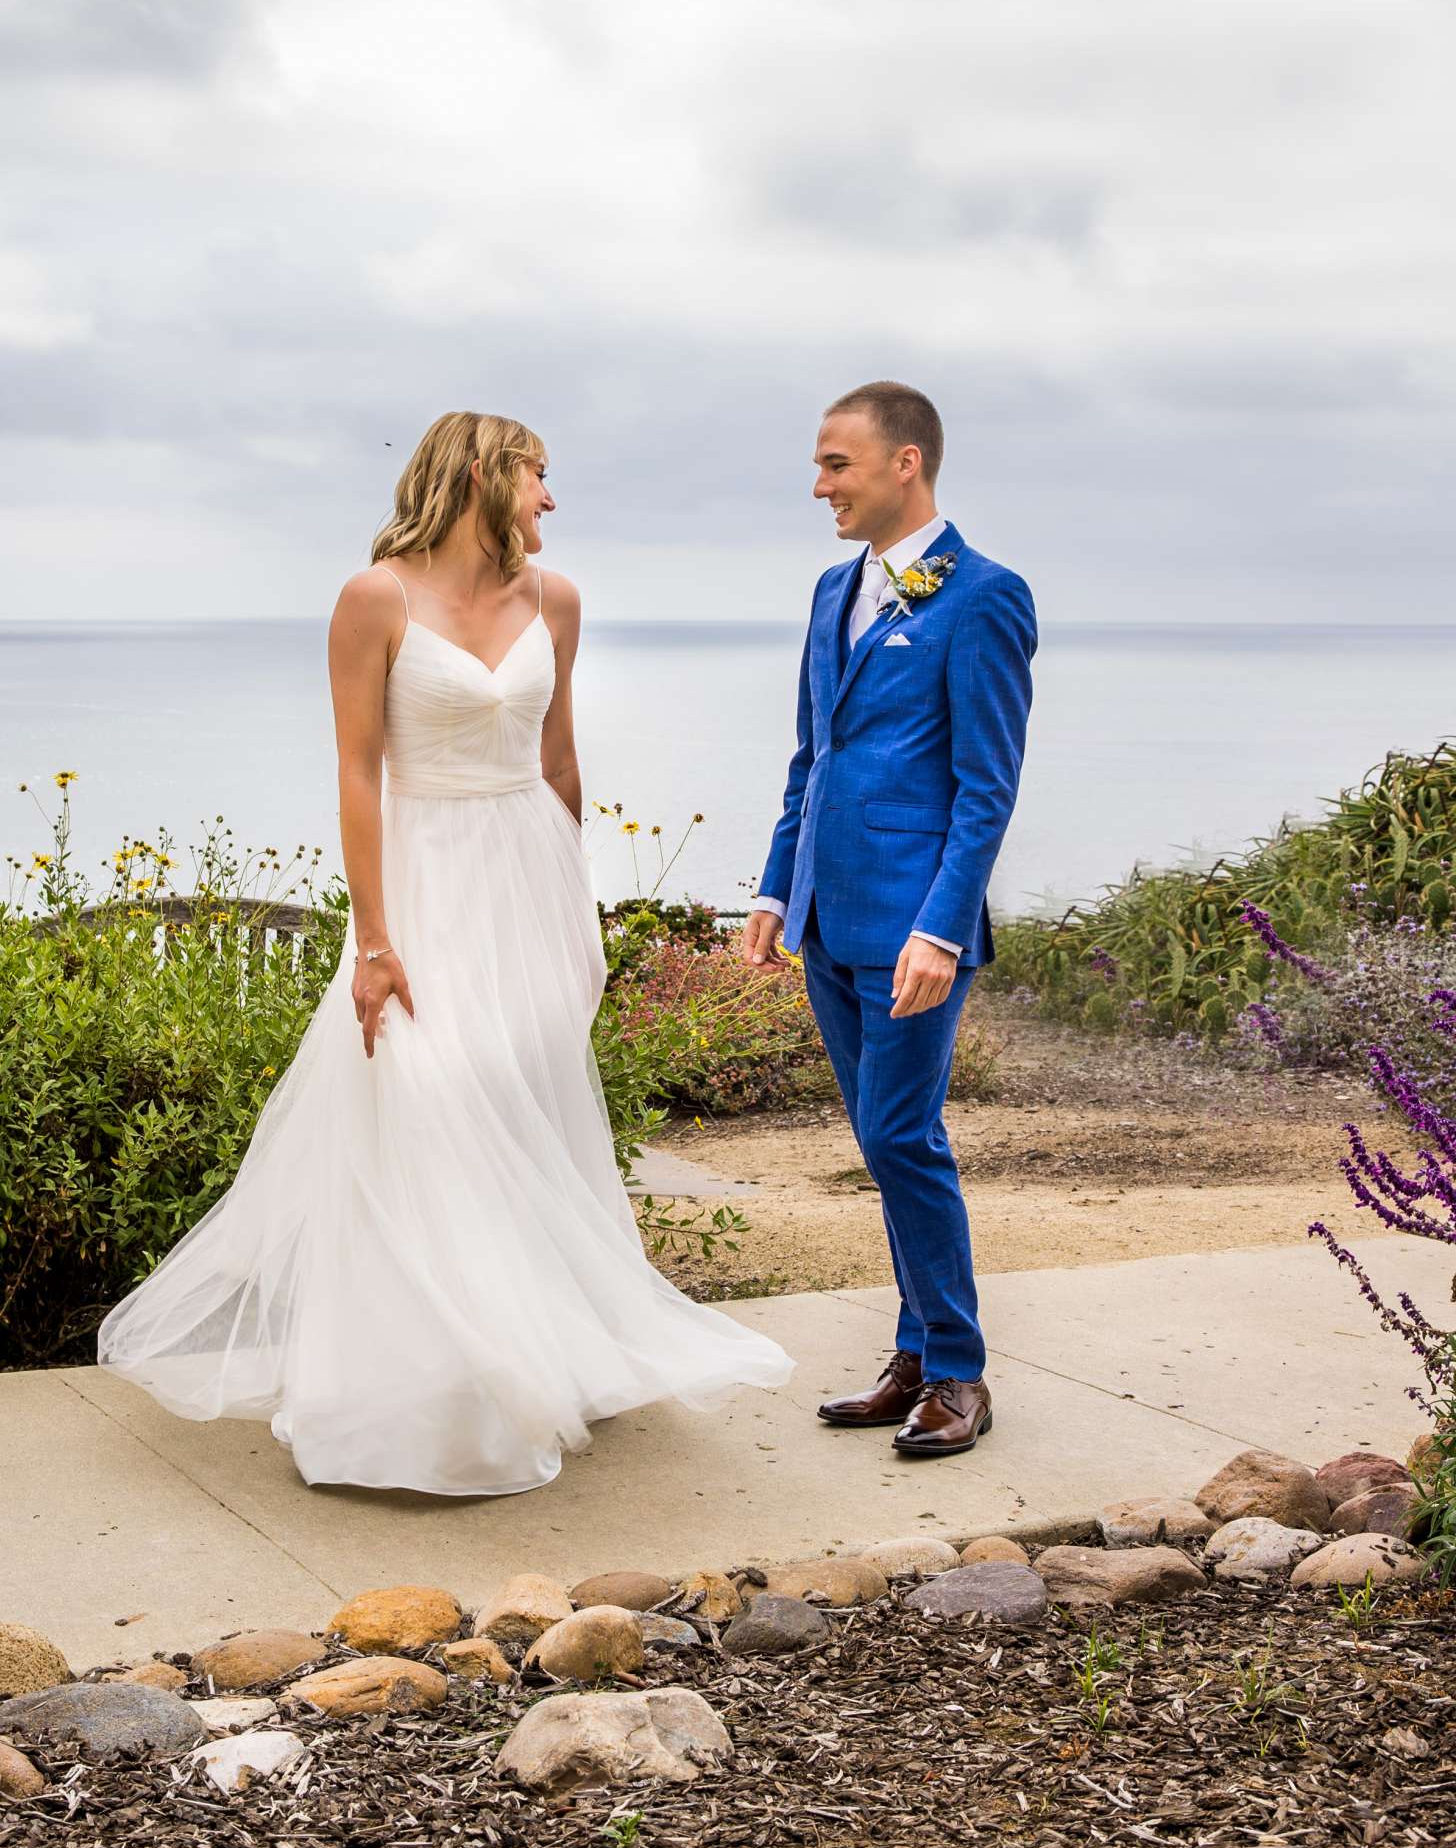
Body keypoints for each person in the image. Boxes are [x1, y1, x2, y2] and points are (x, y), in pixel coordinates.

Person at [99, 410, 792, 1492]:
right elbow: (356, 773)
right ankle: (419, 1386)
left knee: (519, 1099)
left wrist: (584, 911)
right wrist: (373, 938)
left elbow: (561, 763)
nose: (552, 500)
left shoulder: (554, 602)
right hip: (423, 880)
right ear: (482, 473)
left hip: (529, 874)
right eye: (539, 475)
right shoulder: (373, 598)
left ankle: (525, 1354)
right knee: (425, 1096)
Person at [741, 381, 1035, 1457]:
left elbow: (984, 788)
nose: (819, 485)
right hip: (828, 919)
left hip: (916, 932)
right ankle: (913, 1353)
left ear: (904, 463)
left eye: (836, 465)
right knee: (879, 1139)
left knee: (904, 1137)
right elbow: (812, 756)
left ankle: (958, 1369)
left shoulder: (983, 597)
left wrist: (942, 929)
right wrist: (777, 888)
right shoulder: (831, 590)